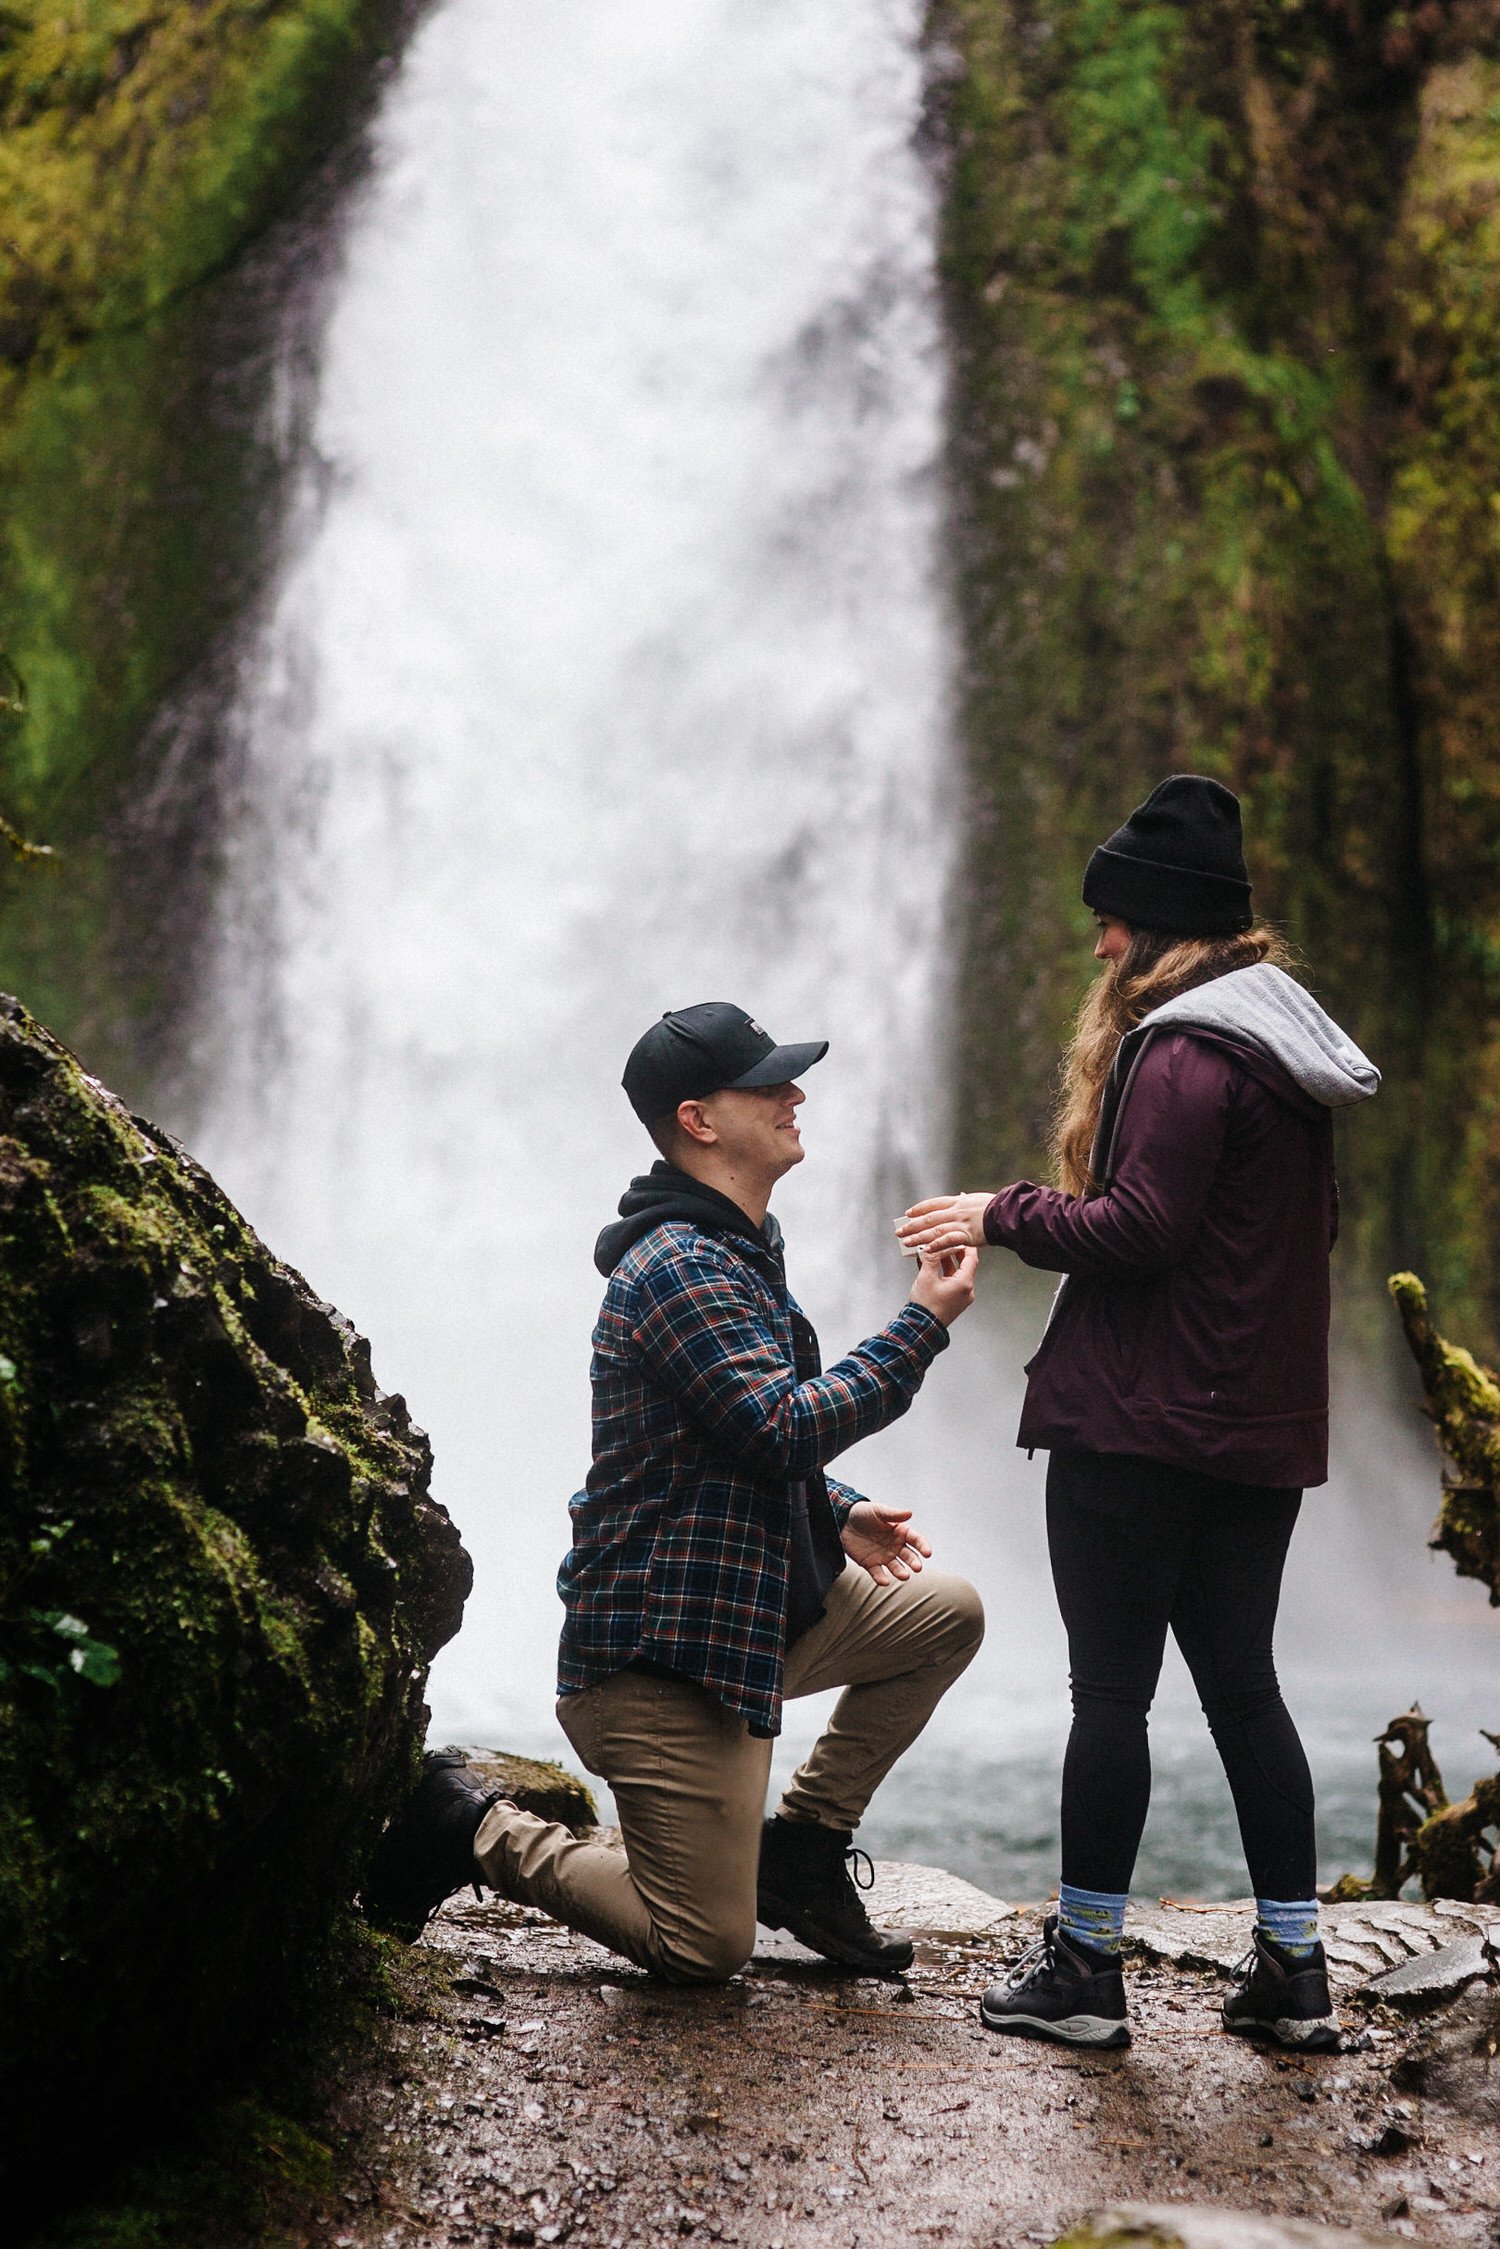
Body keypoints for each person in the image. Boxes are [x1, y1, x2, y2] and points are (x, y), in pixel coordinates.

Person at [899, 775, 1378, 2052]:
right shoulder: (1286, 1056)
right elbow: (1299, 1240)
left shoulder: (1182, 1049)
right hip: (1253, 1433)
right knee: (1245, 1690)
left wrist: (1000, 1210)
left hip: (1136, 1425)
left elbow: (1143, 1228)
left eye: (1115, 919)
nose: (1101, 943)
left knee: (1110, 1693)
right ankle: (1292, 1972)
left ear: (1164, 923)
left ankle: (1089, 1970)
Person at [365, 1001, 984, 1980]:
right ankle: (473, 1821)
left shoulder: (735, 1246)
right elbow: (774, 1424)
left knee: (943, 1610)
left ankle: (805, 1848)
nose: (796, 1094)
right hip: (663, 1658)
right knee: (701, 1946)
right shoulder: (683, 1266)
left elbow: (712, 1444)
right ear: (699, 1119)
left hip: (741, 1614)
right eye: (768, 1082)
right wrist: (921, 1322)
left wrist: (835, 1508)